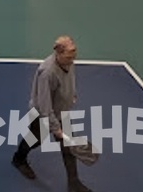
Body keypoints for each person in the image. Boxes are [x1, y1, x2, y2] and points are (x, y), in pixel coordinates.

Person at [12, 36, 93, 192]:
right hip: (41, 114)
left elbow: (70, 79)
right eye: (69, 57)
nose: (72, 60)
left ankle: (74, 183)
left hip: (61, 111)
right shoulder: (47, 73)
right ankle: (19, 159)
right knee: (35, 140)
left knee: (67, 147)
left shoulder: (68, 62)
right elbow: (44, 105)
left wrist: (72, 94)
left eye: (73, 56)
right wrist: (56, 128)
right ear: (58, 53)